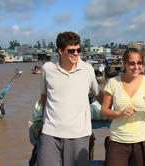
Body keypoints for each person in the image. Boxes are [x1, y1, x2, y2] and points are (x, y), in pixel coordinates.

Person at [36, 31, 104, 166]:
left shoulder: (87, 69)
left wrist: (112, 111)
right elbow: (44, 96)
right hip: (50, 133)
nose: (76, 54)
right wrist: (44, 118)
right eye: (71, 50)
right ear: (60, 51)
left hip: (79, 134)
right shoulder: (48, 69)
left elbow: (98, 94)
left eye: (78, 50)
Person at [101, 48, 145, 166]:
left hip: (143, 141)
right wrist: (119, 113)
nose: (136, 67)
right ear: (124, 63)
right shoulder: (113, 82)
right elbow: (104, 110)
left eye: (139, 63)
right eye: (132, 63)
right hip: (117, 141)